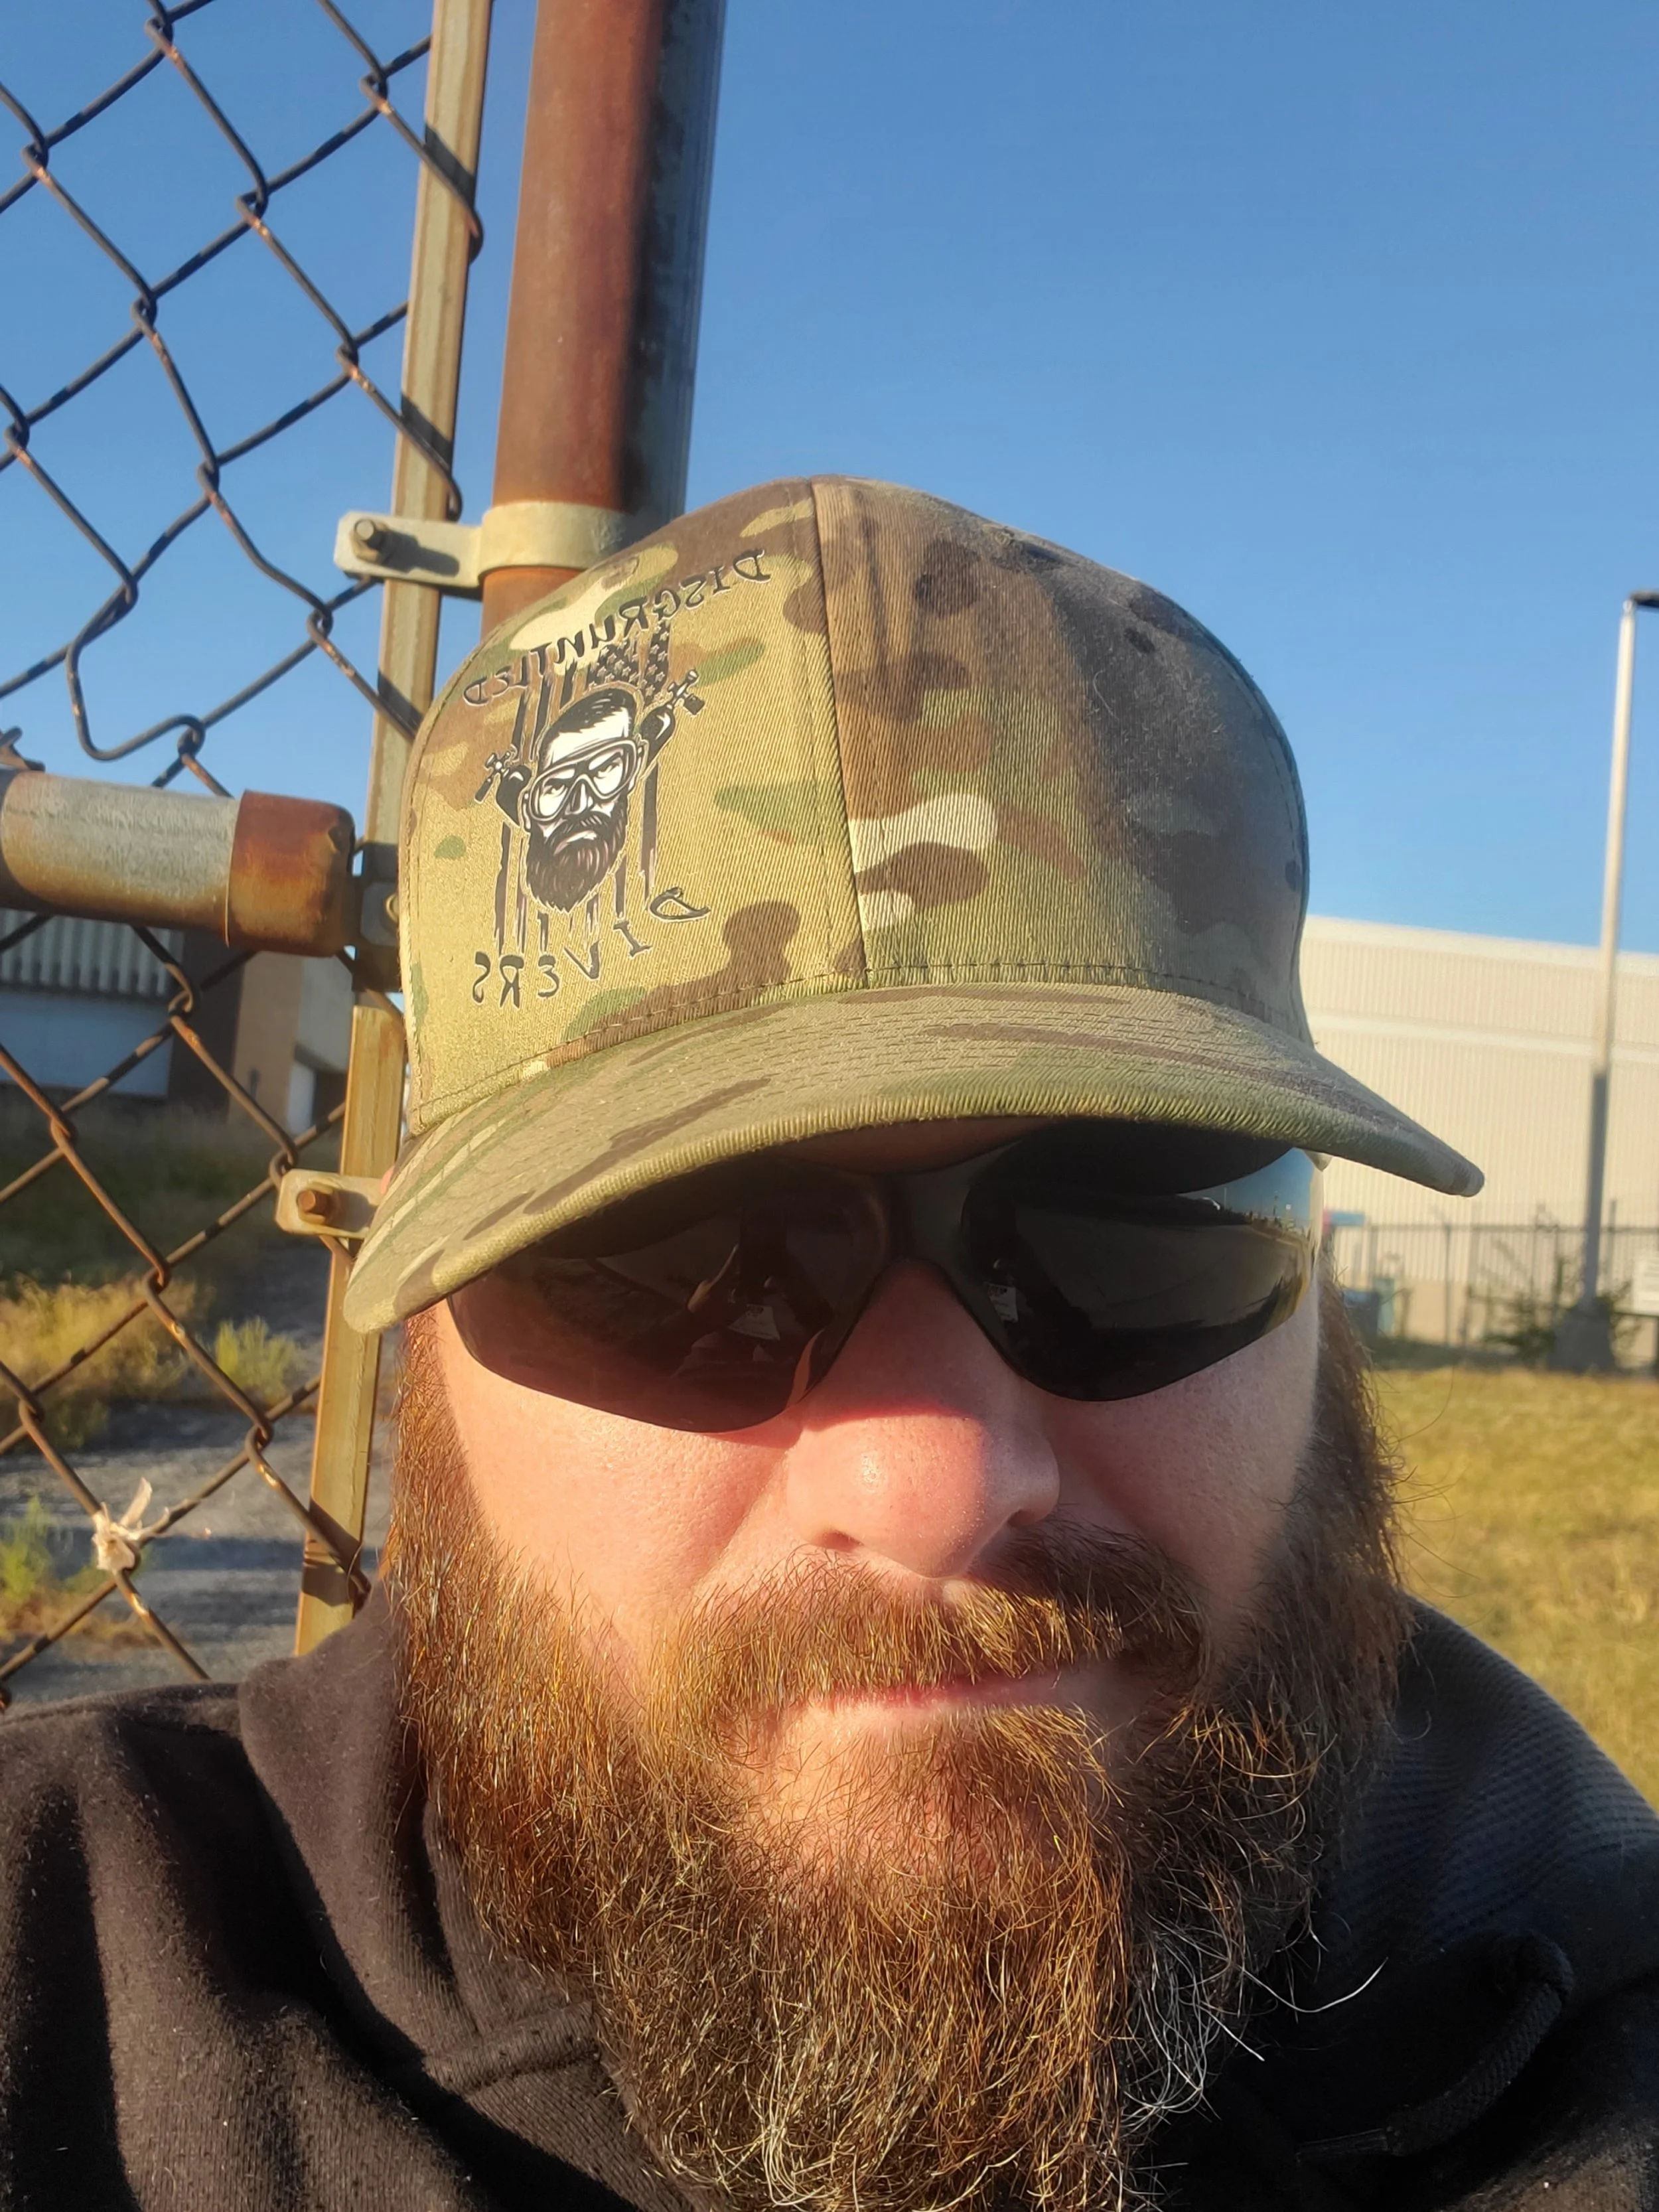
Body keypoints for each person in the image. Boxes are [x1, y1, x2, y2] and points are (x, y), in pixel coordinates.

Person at [1, 478, 1654, 2212]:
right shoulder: (64, 1977)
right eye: (671, 1251)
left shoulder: (1574, 2032)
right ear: (429, 1336)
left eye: (1136, 1216)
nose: (930, 1474)